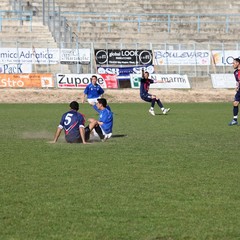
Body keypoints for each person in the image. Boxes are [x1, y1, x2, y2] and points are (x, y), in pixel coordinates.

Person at [229, 58, 240, 126]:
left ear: (238, 63)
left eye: (234, 63)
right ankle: (235, 120)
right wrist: (237, 86)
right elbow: (238, 81)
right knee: (235, 103)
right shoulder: (235, 72)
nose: (233, 64)